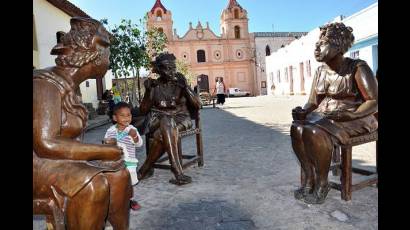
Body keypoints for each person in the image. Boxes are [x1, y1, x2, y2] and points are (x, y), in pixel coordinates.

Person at [33, 17, 132, 229]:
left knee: (120, 175)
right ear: (94, 53)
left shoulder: (71, 86)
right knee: (93, 185)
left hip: (57, 162)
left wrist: (103, 153)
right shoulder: (45, 84)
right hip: (38, 164)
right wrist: (102, 151)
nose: (109, 58)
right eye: (107, 51)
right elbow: (46, 143)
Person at [290, 22, 378, 204]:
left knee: (315, 132)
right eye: (317, 42)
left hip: (356, 117)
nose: (316, 47)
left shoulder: (357, 67)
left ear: (338, 46)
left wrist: (353, 115)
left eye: (323, 43)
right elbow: (313, 102)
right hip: (328, 116)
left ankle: (323, 183)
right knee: (297, 128)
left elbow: (373, 101)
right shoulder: (321, 71)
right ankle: (309, 178)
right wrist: (303, 111)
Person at [137, 52, 201, 185]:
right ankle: (177, 171)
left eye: (173, 68)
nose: (172, 71)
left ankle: (145, 169)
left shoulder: (180, 84)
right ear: (159, 70)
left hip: (181, 119)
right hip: (158, 119)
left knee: (161, 134)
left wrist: (186, 87)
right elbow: (143, 110)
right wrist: (148, 92)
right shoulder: (154, 86)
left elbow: (198, 105)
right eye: (168, 68)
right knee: (166, 121)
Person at [104, 102, 143, 211]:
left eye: (128, 115)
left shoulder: (132, 129)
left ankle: (130, 200)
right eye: (122, 115)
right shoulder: (110, 131)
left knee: (129, 184)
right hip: (115, 162)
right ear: (115, 118)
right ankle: (116, 200)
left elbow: (139, 144)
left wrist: (134, 136)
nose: (126, 118)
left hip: (129, 163)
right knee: (115, 182)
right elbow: (106, 144)